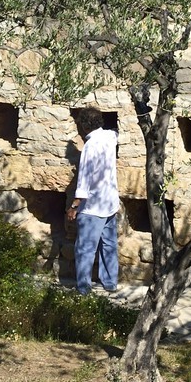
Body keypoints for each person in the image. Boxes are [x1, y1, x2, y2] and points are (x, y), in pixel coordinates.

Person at [66, 106, 119, 294]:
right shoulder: (110, 137)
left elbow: (84, 180)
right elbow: (116, 132)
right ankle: (110, 283)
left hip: (93, 207)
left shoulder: (90, 146)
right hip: (110, 203)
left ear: (84, 125)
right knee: (109, 245)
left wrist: (74, 206)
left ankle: (83, 288)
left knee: (85, 249)